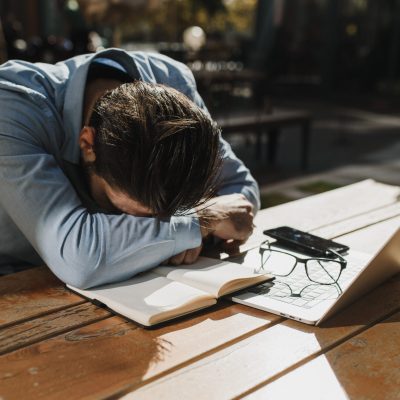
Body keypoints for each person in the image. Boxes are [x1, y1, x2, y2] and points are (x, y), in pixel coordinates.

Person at [0, 48, 260, 288]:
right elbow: (79, 259)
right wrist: (200, 221)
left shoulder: (174, 90)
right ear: (88, 144)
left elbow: (240, 191)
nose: (151, 226)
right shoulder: (10, 107)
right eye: (127, 211)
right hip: (17, 279)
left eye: (167, 214)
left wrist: (176, 233)